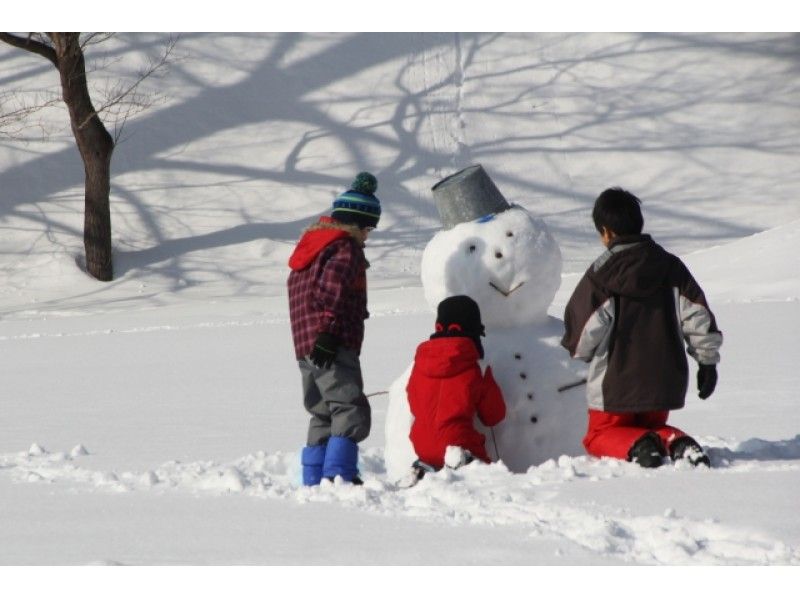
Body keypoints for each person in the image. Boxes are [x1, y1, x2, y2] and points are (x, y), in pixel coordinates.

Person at [561, 187, 722, 468]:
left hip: (616, 385)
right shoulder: (671, 267)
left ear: (607, 233)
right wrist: (707, 362)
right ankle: (678, 443)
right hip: (664, 380)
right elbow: (697, 316)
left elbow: (584, 332)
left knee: (599, 435)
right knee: (649, 426)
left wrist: (577, 349)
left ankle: (639, 447)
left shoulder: (602, 275)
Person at [287, 172, 381, 485]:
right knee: (348, 406)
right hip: (333, 342)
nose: (367, 236)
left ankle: (313, 480)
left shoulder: (311, 249)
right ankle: (340, 475)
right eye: (368, 228)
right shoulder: (344, 249)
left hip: (305, 347)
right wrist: (328, 333)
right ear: (357, 224)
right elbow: (333, 290)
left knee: (321, 411)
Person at [405, 295, 506, 482]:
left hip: (421, 445)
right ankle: (461, 464)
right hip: (459, 444)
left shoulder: (419, 365)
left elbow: (413, 403)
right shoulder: (477, 369)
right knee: (490, 481)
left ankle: (424, 469)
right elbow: (494, 416)